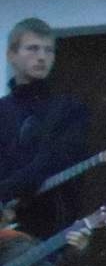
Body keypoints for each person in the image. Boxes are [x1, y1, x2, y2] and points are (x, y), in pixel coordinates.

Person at [0, 18, 90, 239]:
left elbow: (51, 163)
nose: (42, 57)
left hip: (51, 229)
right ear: (11, 55)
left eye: (48, 50)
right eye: (33, 48)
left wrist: (4, 191)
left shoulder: (69, 109)